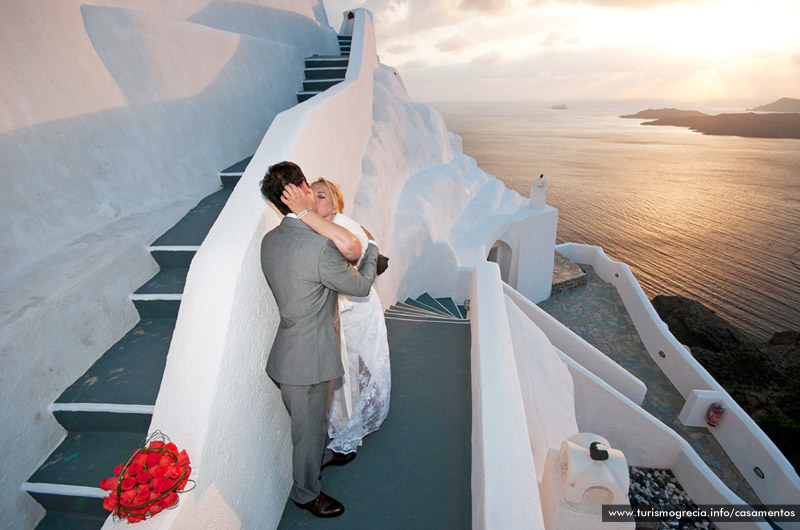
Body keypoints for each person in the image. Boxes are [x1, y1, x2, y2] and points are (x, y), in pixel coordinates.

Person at [259, 161, 379, 518]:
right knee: (308, 431)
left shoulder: (270, 240)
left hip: (287, 352)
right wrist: (371, 249)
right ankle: (306, 492)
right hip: (309, 361)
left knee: (309, 425)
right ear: (301, 192)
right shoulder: (320, 246)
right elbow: (359, 284)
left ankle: (321, 456)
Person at [282, 178, 391, 455]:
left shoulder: (346, 228)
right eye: (311, 194)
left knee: (354, 366)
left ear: (334, 203)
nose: (313, 200)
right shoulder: (314, 227)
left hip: (356, 309)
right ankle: (344, 420)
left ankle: (354, 424)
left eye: (320, 196)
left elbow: (351, 264)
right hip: (337, 310)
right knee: (343, 369)